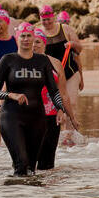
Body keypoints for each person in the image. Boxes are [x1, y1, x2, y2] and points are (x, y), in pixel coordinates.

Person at [0, 22, 74, 176]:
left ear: (34, 37)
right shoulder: (8, 60)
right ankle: (15, 196)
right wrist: (11, 95)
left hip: (37, 119)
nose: (26, 39)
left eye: (29, 36)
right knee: (21, 164)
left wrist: (60, 109)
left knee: (31, 170)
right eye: (23, 36)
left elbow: (54, 91)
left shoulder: (42, 61)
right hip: (11, 117)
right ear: (17, 38)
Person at [32, 28, 77, 170]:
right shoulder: (22, 61)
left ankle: (48, 190)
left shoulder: (55, 63)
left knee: (48, 162)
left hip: (52, 116)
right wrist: (0, 108)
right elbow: (8, 87)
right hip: (29, 114)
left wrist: (70, 116)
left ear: (44, 43)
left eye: (38, 42)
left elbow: (63, 93)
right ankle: (26, 190)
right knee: (29, 159)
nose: (34, 45)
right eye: (32, 42)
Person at [38, 4, 84, 118]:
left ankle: (69, 134)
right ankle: (58, 132)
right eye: (44, 20)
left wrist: (72, 44)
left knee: (71, 103)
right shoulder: (38, 33)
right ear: (40, 19)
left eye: (48, 19)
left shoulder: (65, 29)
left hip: (70, 72)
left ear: (53, 17)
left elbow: (79, 50)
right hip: (50, 77)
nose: (47, 22)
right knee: (53, 107)